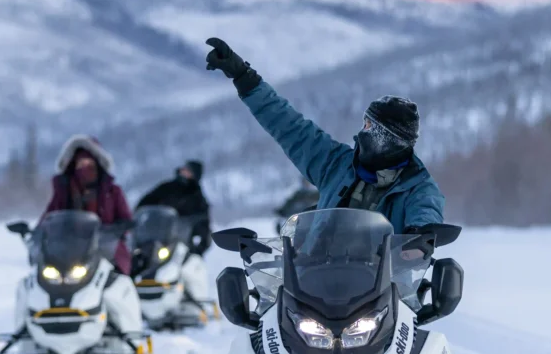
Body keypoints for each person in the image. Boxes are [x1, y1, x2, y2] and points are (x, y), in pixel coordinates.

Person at [204, 38, 444, 233]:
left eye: (370, 126)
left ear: (388, 139)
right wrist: (244, 77)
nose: (363, 132)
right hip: (316, 283)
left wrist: (420, 235)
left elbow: (427, 212)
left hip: (384, 288)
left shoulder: (418, 188)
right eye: (365, 124)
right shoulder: (337, 165)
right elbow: (290, 128)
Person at [41, 134, 133, 274]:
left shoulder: (113, 192)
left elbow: (125, 219)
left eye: (89, 164)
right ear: (72, 166)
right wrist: (36, 232)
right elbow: (50, 216)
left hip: (107, 250)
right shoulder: (63, 192)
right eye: (80, 164)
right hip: (68, 251)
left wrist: (118, 228)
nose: (85, 169)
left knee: (117, 280)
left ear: (98, 164)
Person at [136, 160, 211, 255]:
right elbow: (146, 202)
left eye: (189, 171)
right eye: (184, 169)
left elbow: (204, 224)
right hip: (154, 237)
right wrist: (139, 216)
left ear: (195, 175)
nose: (184, 172)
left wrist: (197, 250)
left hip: (179, 243)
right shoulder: (167, 187)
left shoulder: (198, 198)